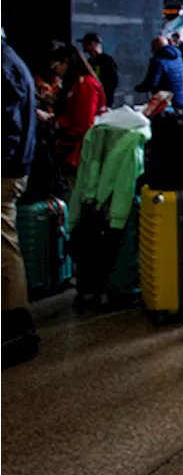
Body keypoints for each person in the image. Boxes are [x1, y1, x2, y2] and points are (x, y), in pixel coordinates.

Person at [1, 38, 38, 360]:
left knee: (4, 244)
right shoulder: (12, 60)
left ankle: (15, 319)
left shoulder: (4, 65)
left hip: (4, 169)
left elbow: (8, 129)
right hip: (15, 165)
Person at [47, 43, 106, 178]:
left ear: (66, 63)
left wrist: (58, 123)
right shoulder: (76, 84)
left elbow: (84, 124)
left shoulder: (86, 85)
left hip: (79, 152)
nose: (57, 73)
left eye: (56, 67)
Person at [135, 35, 183, 114]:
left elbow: (152, 82)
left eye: (152, 47)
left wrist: (138, 88)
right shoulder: (178, 57)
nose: (151, 50)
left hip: (169, 102)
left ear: (156, 48)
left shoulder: (158, 61)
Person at [79, 34, 119, 106]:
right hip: (93, 99)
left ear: (93, 44)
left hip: (103, 100)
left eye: (85, 43)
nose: (83, 46)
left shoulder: (106, 60)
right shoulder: (89, 62)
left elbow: (113, 81)